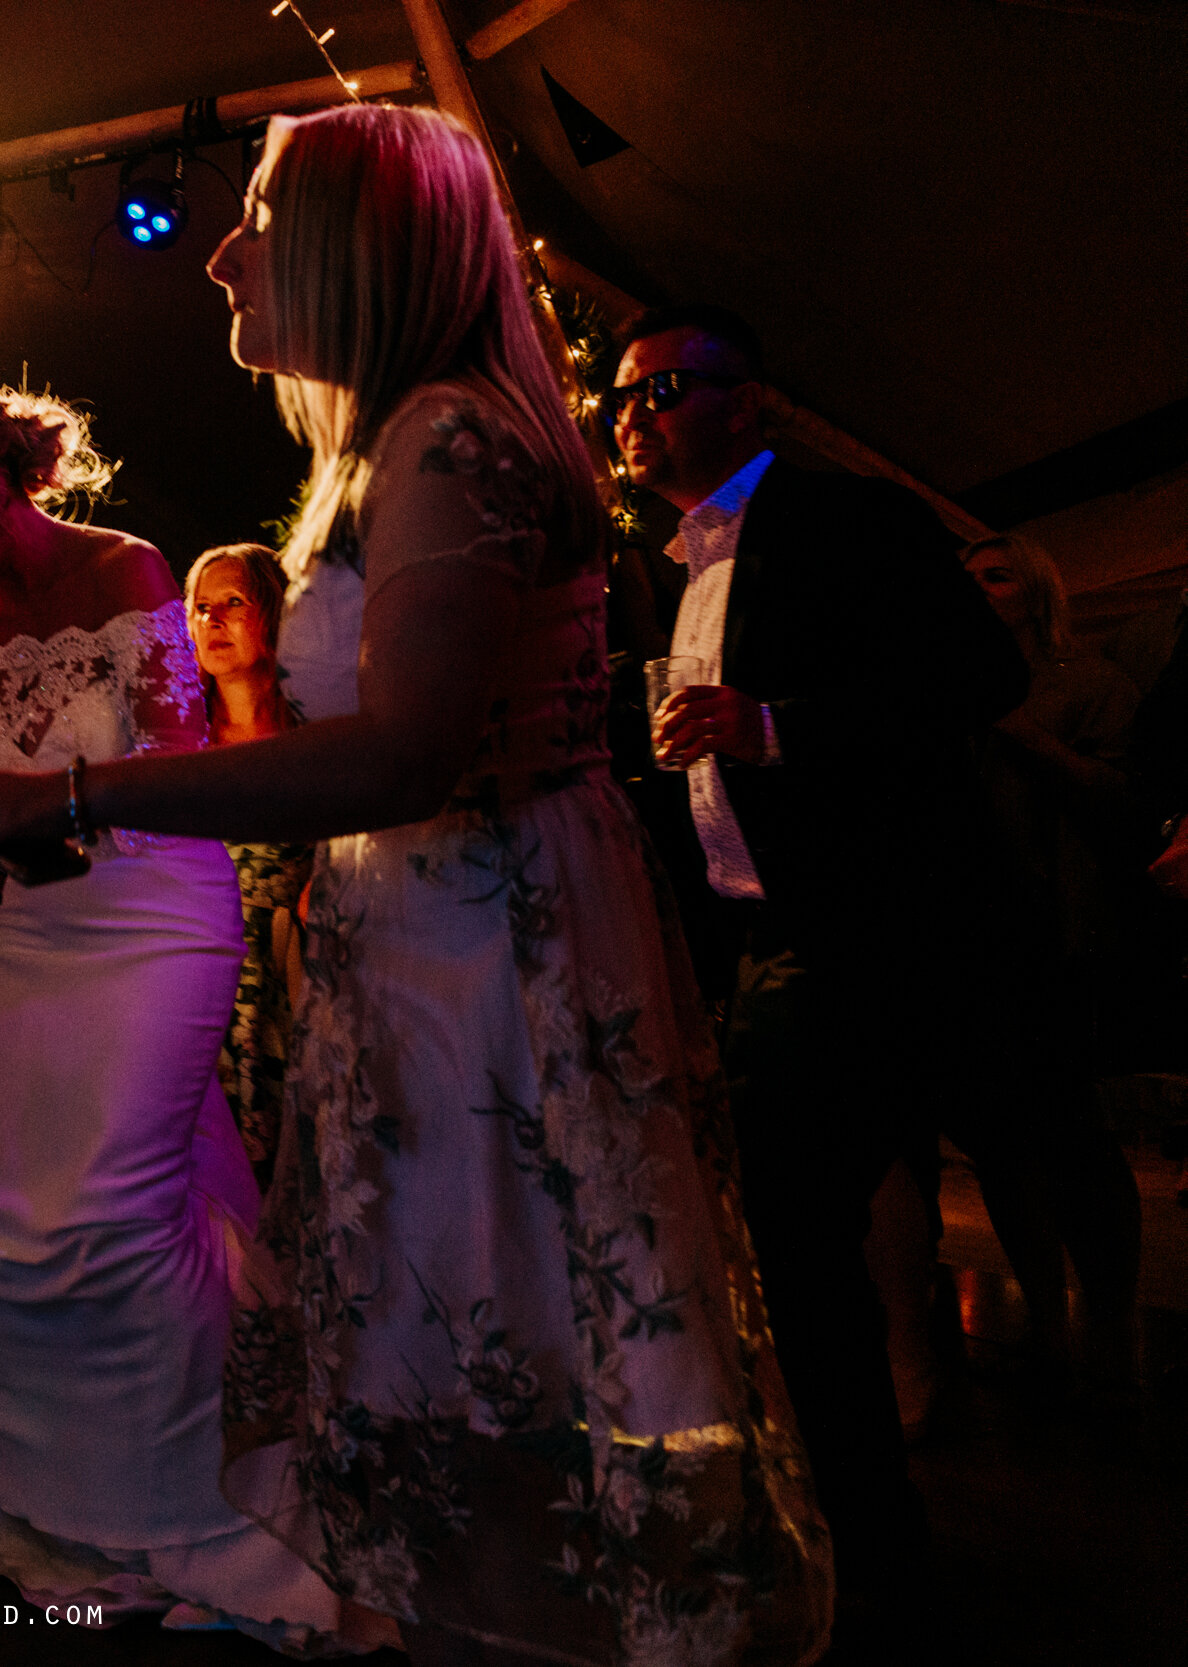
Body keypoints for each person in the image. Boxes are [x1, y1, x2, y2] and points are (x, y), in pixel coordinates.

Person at [0, 108, 831, 1666]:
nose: (218, 249)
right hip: (431, 930)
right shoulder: (404, 440)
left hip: (494, 941)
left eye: (257, 214)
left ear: (366, 244)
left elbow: (402, 754)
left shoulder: (453, 437)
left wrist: (68, 790)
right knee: (460, 1353)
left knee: (521, 1341)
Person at [0, 365, 353, 1649]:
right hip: (36, 928)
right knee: (1, 1203)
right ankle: (59, 1487)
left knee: (117, 1208)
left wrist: (41, 800)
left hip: (155, 912)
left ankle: (190, 1494)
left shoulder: (127, 566)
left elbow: (171, 762)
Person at [615, 304, 1026, 1618]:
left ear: (749, 401)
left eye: (666, 386)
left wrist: (774, 722)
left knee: (792, 1229)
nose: (636, 413)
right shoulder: (670, 565)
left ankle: (869, 1549)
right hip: (758, 934)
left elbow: (983, 673)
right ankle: (851, 1522)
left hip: (873, 930)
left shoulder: (847, 518)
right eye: (624, 396)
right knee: (785, 1235)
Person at [956, 533, 1143, 1390]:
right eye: (964, 579)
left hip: (1053, 938)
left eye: (994, 576)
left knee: (1075, 1138)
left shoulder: (1089, 682)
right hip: (967, 940)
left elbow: (1121, 801)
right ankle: (1038, 1305)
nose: (976, 590)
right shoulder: (940, 691)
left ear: (1035, 593)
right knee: (996, 1138)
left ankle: (1111, 1316)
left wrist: (1016, 731)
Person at [185, 544, 310, 1192]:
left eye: (233, 602)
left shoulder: (317, 733)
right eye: (201, 608)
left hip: (302, 977)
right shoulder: (179, 745)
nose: (213, 620)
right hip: (205, 986)